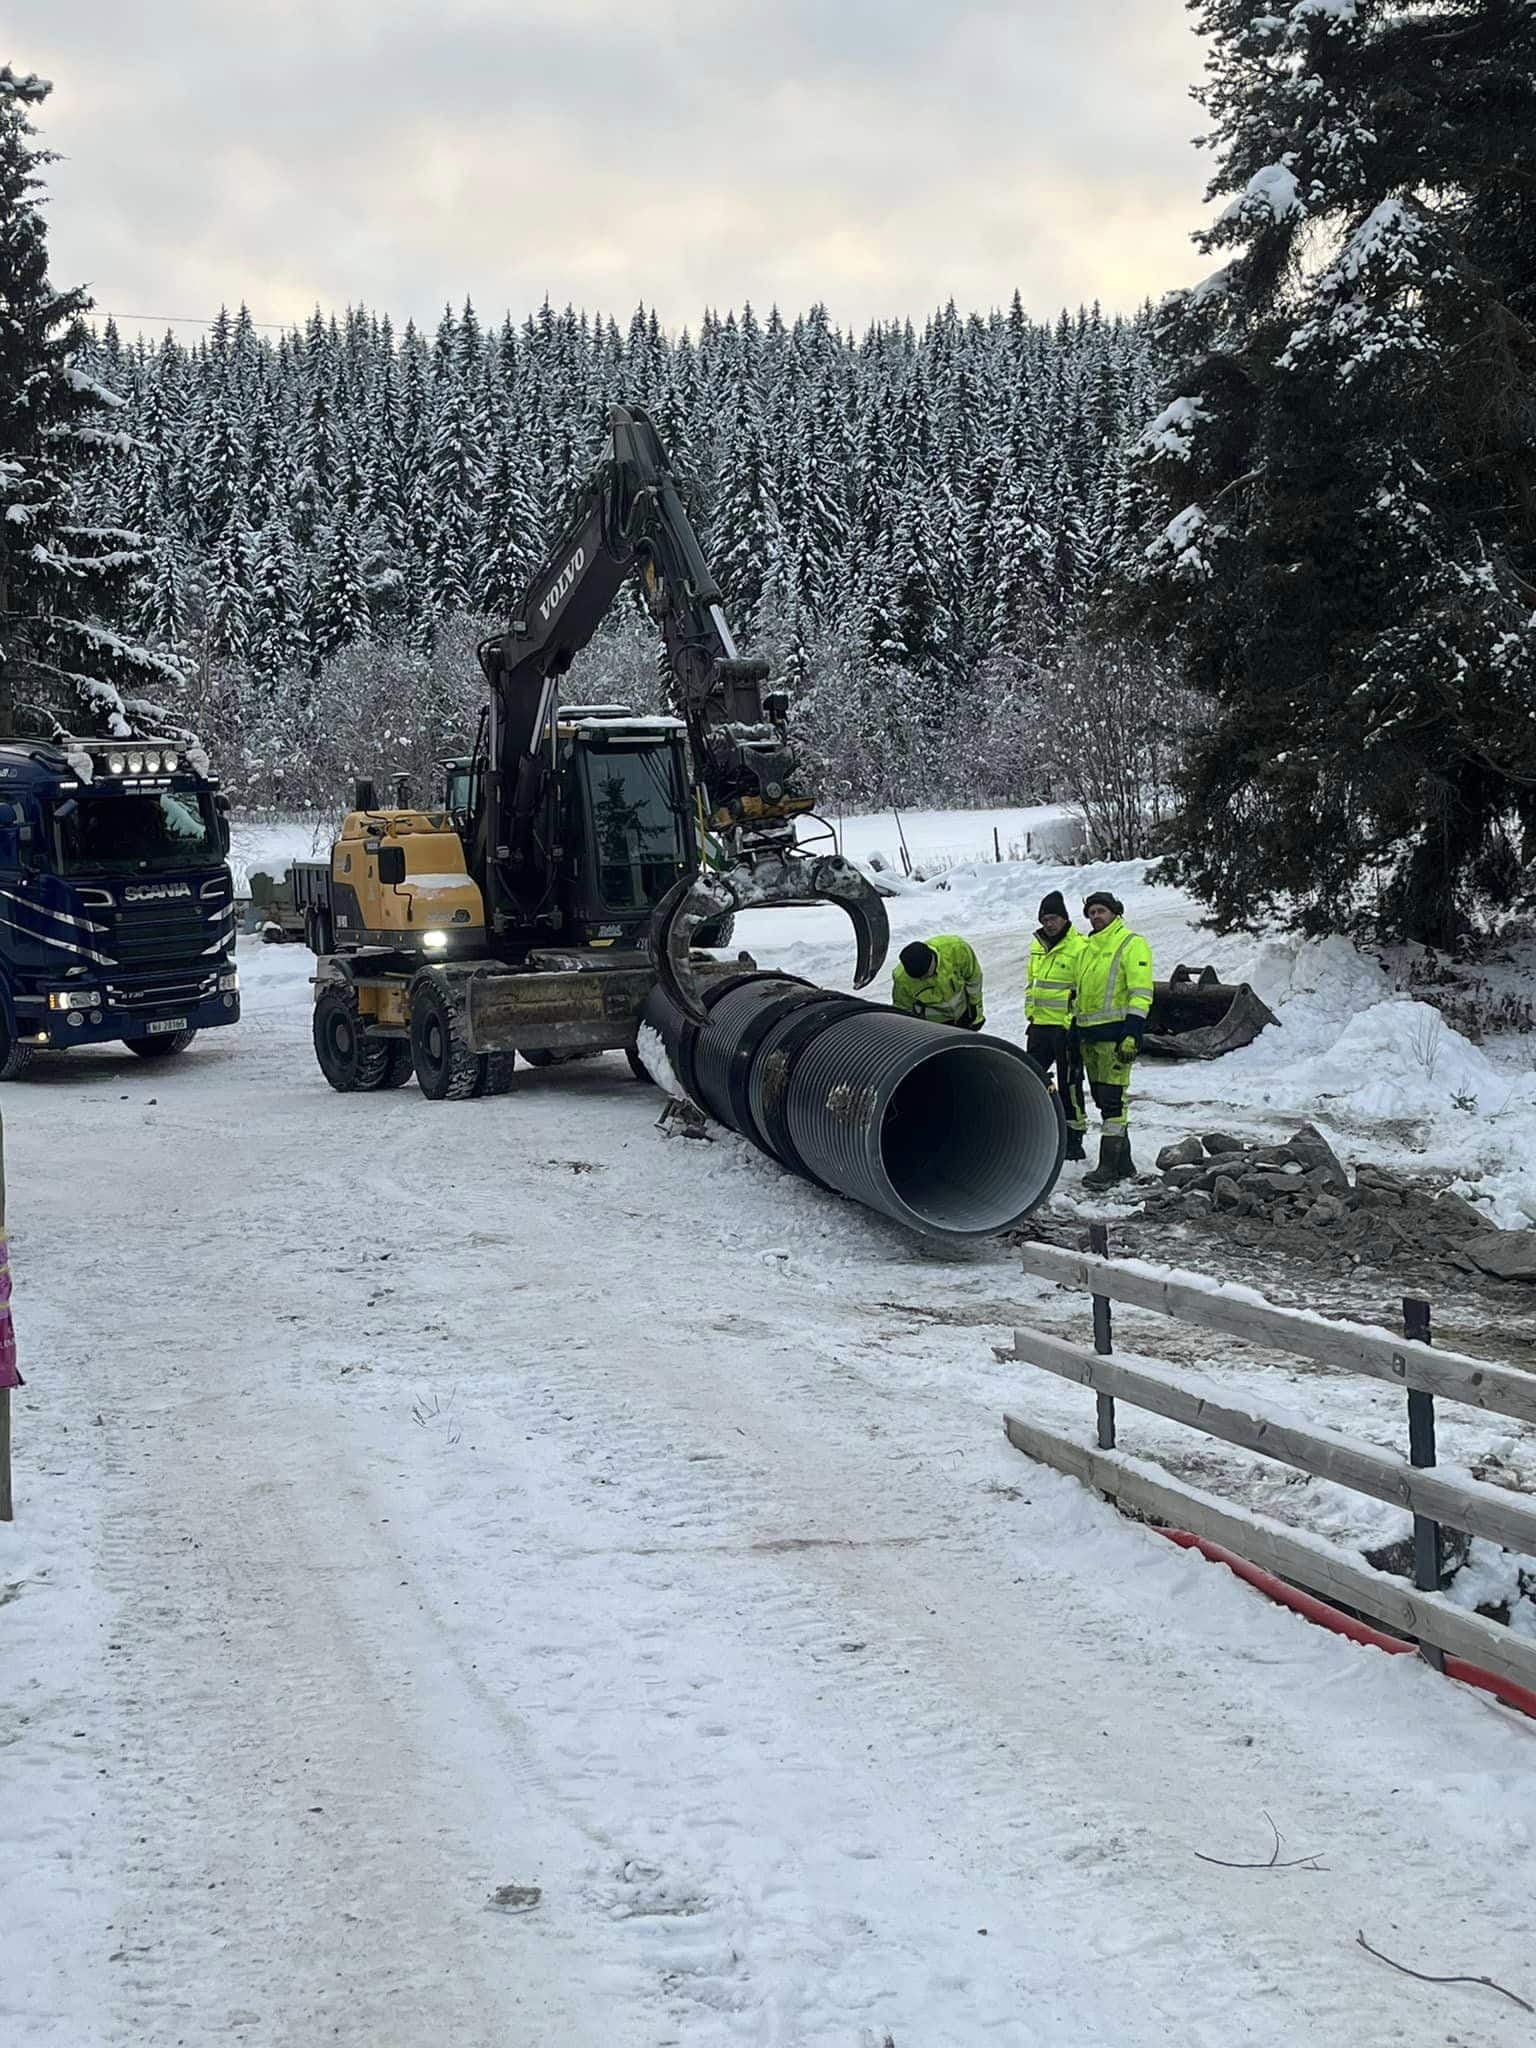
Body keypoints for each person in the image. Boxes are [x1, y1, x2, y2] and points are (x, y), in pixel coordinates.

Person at [1073, 890, 1154, 1189]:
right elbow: (1080, 995)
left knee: (1113, 1102)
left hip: (1116, 1038)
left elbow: (1141, 991)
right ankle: (1124, 1164)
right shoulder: (1086, 949)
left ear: (1114, 913)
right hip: (1090, 1039)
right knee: (1106, 1101)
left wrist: (1133, 1031)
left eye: (1101, 911)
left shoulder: (1131, 943)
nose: (1096, 917)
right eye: (1092, 912)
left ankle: (1107, 1167)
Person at [1025, 890, 1086, 1161]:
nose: (1049, 923)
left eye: (1054, 918)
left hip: (1066, 1029)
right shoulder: (1037, 945)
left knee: (1069, 1084)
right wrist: (1030, 1011)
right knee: (1027, 1077)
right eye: (1045, 918)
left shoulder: (1079, 947)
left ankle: (1074, 1139)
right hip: (1039, 1026)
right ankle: (1036, 1130)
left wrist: (1072, 1023)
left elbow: (1085, 990)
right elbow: (1032, 983)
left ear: (1064, 919)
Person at [891, 935, 985, 1030]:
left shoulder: (956, 950)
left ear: (932, 961)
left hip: (964, 1014)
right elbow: (904, 1012)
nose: (923, 980)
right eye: (919, 979)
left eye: (925, 976)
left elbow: (974, 981)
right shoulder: (902, 980)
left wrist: (976, 1011)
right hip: (935, 1026)